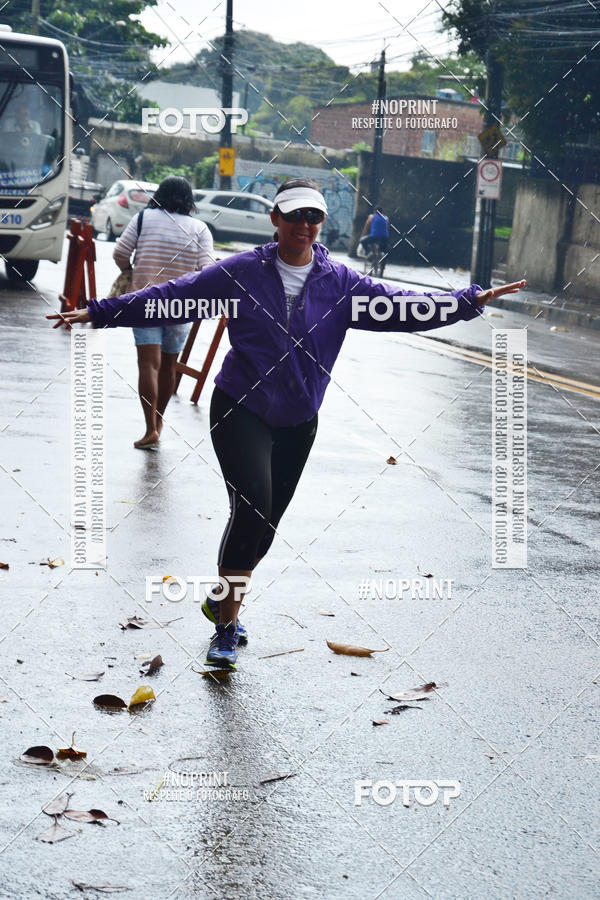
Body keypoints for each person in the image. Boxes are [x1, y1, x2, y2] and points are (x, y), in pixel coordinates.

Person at [50, 178, 526, 672]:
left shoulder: (341, 284)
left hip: (299, 419)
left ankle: (221, 597)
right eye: (294, 216)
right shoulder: (241, 272)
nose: (303, 225)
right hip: (240, 407)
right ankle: (227, 627)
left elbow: (404, 307)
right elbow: (176, 294)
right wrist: (100, 312)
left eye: (313, 217)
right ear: (275, 219)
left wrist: (470, 300)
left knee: (266, 528)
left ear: (322, 224)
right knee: (252, 506)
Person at [112, 175, 214, 448]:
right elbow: (208, 269)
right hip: (181, 305)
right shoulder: (200, 228)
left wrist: (130, 270)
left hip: (144, 300)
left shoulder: (144, 218)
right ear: (189, 200)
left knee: (148, 364)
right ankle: (158, 422)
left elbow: (120, 252)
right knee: (169, 365)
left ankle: (149, 429)